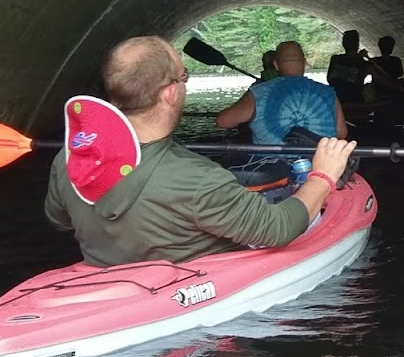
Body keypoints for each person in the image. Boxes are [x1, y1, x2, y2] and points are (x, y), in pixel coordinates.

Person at [46, 36, 354, 266]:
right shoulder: (201, 179)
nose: (185, 85)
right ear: (170, 92)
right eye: (184, 78)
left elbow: (59, 219)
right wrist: (323, 176)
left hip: (108, 274)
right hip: (191, 292)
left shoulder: (70, 158)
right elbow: (278, 228)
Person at [217, 40, 346, 142]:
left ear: (276, 64)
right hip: (319, 164)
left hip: (271, 164)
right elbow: (341, 132)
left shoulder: (259, 92)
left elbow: (223, 121)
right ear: (305, 63)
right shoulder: (328, 93)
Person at [327, 29, 372, 106]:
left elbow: (330, 79)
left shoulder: (336, 59)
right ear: (357, 44)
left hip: (337, 101)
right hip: (356, 101)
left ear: (344, 44)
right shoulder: (363, 62)